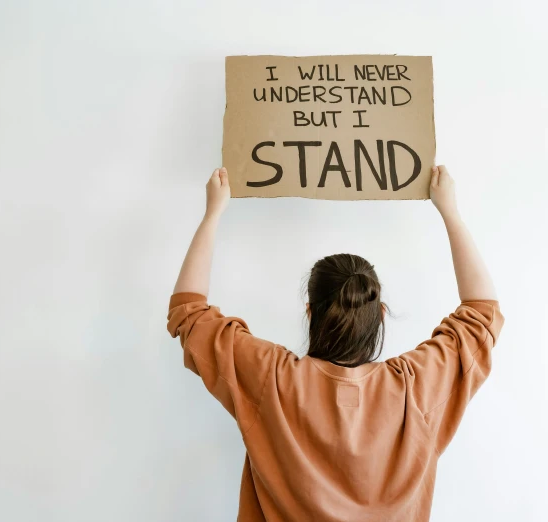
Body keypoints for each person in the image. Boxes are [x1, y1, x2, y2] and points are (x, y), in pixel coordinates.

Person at [167, 166, 504, 522]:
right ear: (381, 315)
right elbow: (482, 312)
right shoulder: (415, 388)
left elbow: (188, 313)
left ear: (310, 312)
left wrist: (213, 212)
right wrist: (450, 211)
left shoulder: (272, 379)